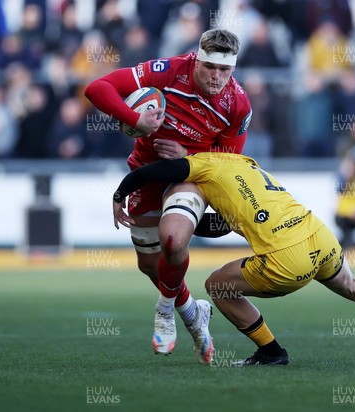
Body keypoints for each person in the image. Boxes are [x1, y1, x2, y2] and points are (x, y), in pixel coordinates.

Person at [111, 152, 355, 366]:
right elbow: (223, 224)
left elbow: (159, 169)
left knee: (217, 285)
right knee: (352, 285)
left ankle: (271, 352)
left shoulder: (203, 165)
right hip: (318, 236)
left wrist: (120, 194)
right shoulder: (248, 165)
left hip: (287, 258)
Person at [84, 29, 252, 363]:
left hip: (190, 176)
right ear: (197, 58)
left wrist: (187, 157)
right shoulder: (167, 71)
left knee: (172, 241)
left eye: (225, 70)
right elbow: (96, 88)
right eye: (210, 68)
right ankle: (193, 315)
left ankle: (164, 311)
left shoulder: (238, 105)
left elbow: (227, 164)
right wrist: (135, 119)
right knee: (150, 264)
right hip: (146, 172)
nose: (217, 77)